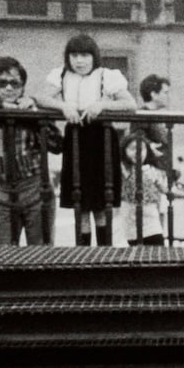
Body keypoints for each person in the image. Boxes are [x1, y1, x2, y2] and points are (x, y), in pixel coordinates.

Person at [37, 33, 134, 245]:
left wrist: (102, 104)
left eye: (85, 55)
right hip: (76, 140)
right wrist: (63, 106)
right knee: (80, 205)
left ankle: (104, 253)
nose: (79, 61)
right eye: (74, 55)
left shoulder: (106, 76)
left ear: (94, 56)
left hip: (102, 142)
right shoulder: (61, 75)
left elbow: (130, 104)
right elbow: (41, 97)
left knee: (100, 205)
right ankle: (84, 255)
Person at [0, 56, 54, 246]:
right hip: (1, 189)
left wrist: (32, 114)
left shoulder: (31, 110)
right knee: (4, 255)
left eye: (15, 84)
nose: (8, 88)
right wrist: (6, 107)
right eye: (1, 83)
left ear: (22, 87)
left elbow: (56, 144)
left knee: (42, 255)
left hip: (35, 188)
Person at [113, 127, 172, 246]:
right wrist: (147, 145)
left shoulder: (152, 170)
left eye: (141, 149)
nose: (138, 152)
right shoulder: (126, 169)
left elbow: (165, 189)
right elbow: (114, 157)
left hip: (152, 220)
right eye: (132, 149)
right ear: (124, 151)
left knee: (156, 248)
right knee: (137, 251)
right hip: (132, 221)